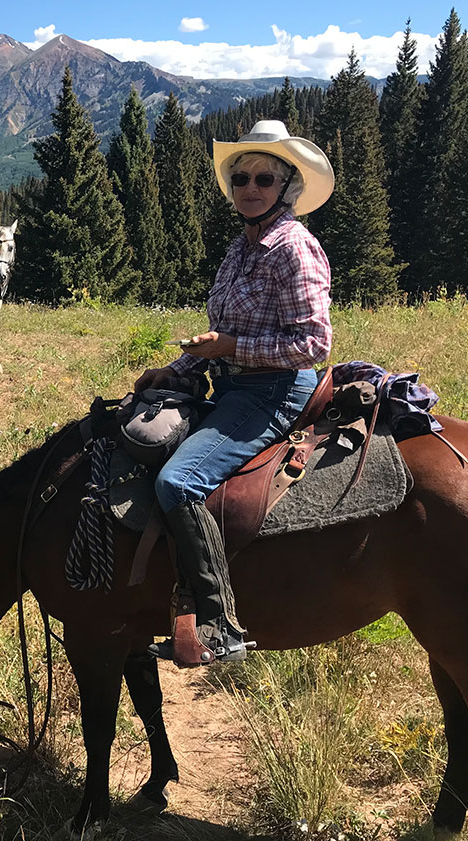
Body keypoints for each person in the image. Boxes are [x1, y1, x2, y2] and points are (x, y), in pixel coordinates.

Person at [140, 120, 335, 666]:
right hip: (233, 383)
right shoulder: (241, 248)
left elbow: (314, 342)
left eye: (264, 178)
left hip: (274, 390)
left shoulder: (294, 249)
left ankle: (219, 623)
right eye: (241, 178)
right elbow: (219, 334)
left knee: (179, 481)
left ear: (287, 186)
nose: (250, 187)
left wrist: (232, 347)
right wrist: (176, 368)